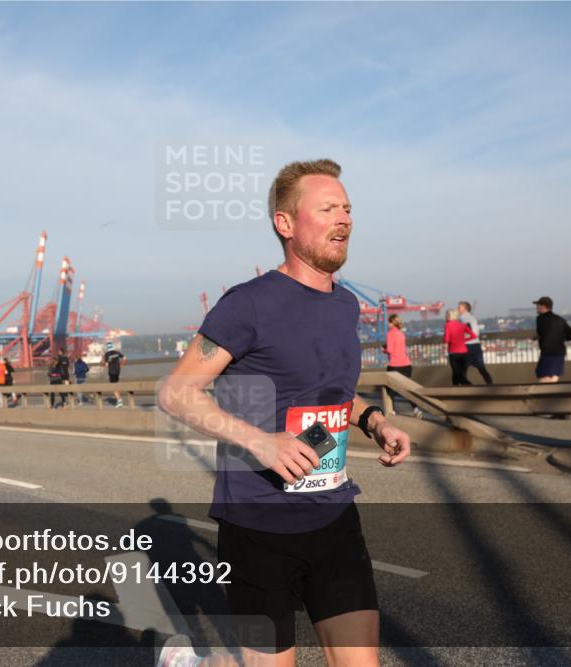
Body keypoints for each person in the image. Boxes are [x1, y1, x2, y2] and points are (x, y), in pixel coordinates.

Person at [157, 158, 411, 667]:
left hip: (334, 513)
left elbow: (331, 393)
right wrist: (262, 443)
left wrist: (373, 421)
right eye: (327, 208)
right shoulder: (247, 304)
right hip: (259, 524)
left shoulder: (345, 306)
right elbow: (176, 393)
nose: (344, 218)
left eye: (347, 208)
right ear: (286, 224)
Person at [382, 314, 421, 417]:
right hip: (407, 364)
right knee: (407, 388)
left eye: (388, 322)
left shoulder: (390, 333)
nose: (387, 324)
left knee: (390, 389)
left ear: (391, 323)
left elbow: (390, 350)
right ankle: (416, 409)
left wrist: (384, 350)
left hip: (395, 365)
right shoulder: (401, 333)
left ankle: (392, 410)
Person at [534, 296, 571, 383]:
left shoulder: (540, 319)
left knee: (542, 375)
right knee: (553, 377)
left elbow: (541, 333)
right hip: (560, 353)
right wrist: (560, 337)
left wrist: (537, 337)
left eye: (538, 305)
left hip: (547, 352)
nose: (536, 308)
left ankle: (545, 395)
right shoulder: (560, 319)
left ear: (543, 306)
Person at [457, 301, 493, 384]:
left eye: (459, 307)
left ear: (465, 308)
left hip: (468, 346)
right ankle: (489, 381)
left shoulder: (464, 319)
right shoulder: (470, 318)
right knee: (480, 367)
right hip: (474, 345)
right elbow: (475, 333)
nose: (458, 309)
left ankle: (465, 385)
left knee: (463, 367)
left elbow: (473, 333)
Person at [444, 309, 475, 386]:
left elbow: (446, 339)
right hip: (464, 352)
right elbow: (473, 335)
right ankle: (458, 387)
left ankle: (466, 384)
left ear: (450, 316)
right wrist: (464, 340)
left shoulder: (448, 325)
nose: (445, 316)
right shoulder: (463, 325)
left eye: (447, 315)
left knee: (456, 371)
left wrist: (447, 342)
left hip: (453, 352)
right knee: (460, 372)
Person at [102, 342, 126, 408]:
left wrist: (103, 363)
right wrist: (122, 364)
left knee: (114, 387)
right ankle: (118, 399)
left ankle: (119, 401)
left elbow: (106, 365)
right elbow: (124, 358)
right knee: (116, 385)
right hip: (118, 371)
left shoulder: (107, 354)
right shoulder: (117, 352)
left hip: (112, 372)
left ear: (107, 347)